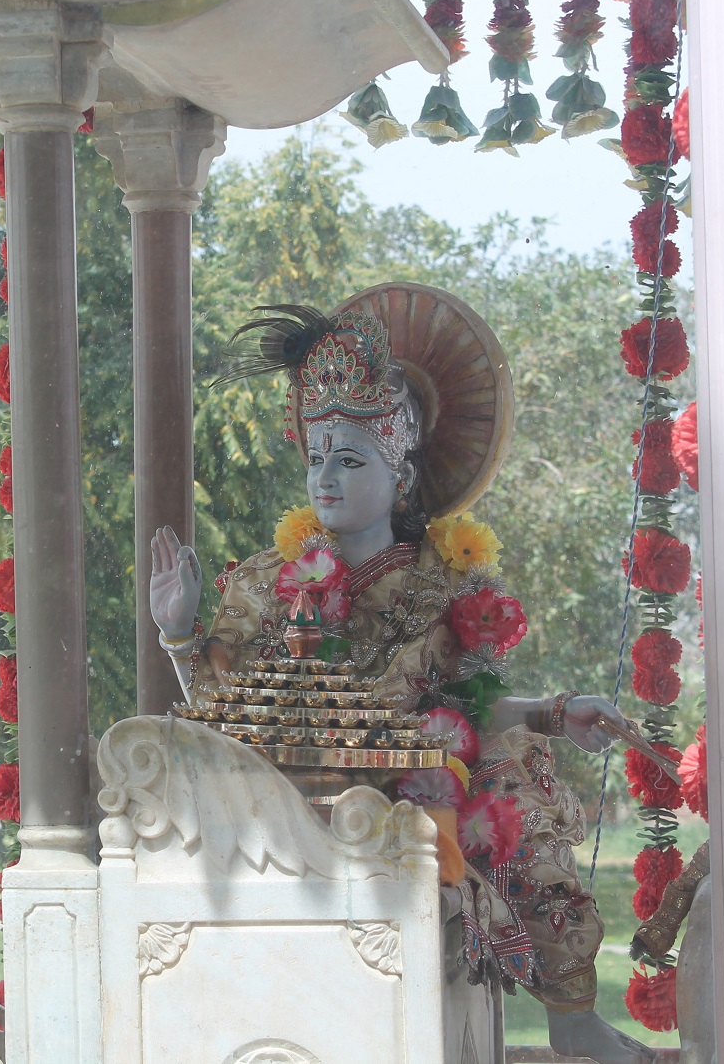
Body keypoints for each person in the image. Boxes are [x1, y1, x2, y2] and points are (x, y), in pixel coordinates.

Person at [148, 286, 654, 1064]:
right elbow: (222, 715)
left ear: (400, 471)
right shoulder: (260, 581)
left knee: (515, 773)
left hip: (411, 786)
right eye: (316, 458)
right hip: (287, 787)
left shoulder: (447, 587)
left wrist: (553, 711)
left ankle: (568, 1014)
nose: (324, 478)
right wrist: (178, 631)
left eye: (348, 460)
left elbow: (472, 711)